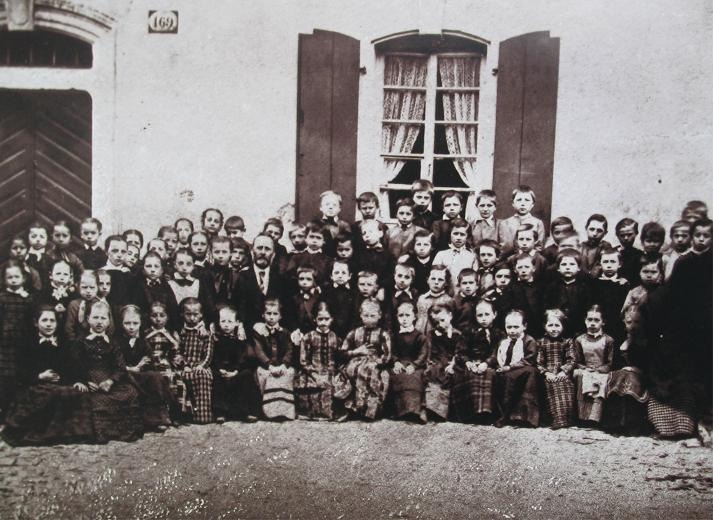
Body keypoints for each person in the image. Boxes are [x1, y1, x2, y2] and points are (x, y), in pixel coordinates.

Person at [1, 306, 94, 446]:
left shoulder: (64, 343)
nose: (49, 324)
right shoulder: (27, 344)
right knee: (51, 393)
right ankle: (43, 434)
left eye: (52, 320)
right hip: (35, 386)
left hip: (61, 384)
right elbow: (20, 372)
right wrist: (40, 376)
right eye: (44, 320)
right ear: (36, 323)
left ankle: (69, 434)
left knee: (78, 392)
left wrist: (78, 380)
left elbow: (73, 366)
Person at [68, 300, 144, 443]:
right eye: (95, 317)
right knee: (88, 398)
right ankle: (99, 432)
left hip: (108, 379)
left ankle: (118, 431)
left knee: (130, 393)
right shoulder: (80, 341)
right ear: (88, 319)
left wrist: (111, 381)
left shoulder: (113, 342)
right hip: (89, 379)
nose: (99, 322)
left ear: (109, 321)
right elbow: (74, 365)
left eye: (103, 318)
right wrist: (83, 381)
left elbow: (120, 367)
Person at [116, 305, 172, 430]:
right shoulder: (117, 341)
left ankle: (158, 418)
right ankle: (143, 420)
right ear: (121, 323)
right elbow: (116, 362)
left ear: (141, 323)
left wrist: (142, 365)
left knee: (155, 377)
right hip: (123, 374)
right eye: (127, 323)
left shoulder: (142, 340)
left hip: (139, 373)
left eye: (135, 323)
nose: (131, 327)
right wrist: (131, 368)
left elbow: (148, 358)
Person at [337, 299, 391, 420]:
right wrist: (356, 351)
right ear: (361, 315)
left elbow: (387, 355)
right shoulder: (354, 333)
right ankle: (350, 408)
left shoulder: (383, 334)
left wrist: (377, 362)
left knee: (371, 374)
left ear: (379, 315)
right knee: (349, 371)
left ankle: (368, 411)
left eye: (373, 316)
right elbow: (342, 352)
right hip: (355, 361)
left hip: (375, 364)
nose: (369, 319)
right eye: (366, 315)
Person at [452, 300, 504, 423]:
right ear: (475, 316)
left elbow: (498, 352)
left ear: (494, 314)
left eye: (487, 314)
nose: (483, 318)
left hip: (489, 364)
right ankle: (471, 414)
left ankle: (486, 412)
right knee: (468, 374)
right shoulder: (468, 332)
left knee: (489, 374)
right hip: (471, 363)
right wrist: (468, 362)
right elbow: (461, 351)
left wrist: (486, 363)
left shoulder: (499, 333)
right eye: (480, 315)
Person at [486, 310, 540, 427]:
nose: (512, 330)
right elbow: (495, 356)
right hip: (504, 370)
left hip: (522, 371)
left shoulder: (529, 341)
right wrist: (486, 363)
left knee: (512, 378)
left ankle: (522, 417)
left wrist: (509, 367)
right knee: (492, 375)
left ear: (524, 326)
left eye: (516, 327)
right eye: (509, 327)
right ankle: (496, 415)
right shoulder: (504, 342)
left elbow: (529, 359)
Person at [211, 305, 260, 422]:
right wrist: (220, 369)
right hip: (222, 369)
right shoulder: (216, 339)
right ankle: (220, 412)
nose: (226, 325)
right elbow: (214, 357)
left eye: (230, 321)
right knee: (216, 378)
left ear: (237, 323)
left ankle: (246, 411)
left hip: (236, 369)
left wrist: (236, 371)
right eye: (223, 321)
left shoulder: (240, 340)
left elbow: (242, 358)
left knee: (246, 375)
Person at [0, 261, 35, 417]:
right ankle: (4, 415)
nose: (13, 280)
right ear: (4, 279)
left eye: (16, 276)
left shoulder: (28, 299)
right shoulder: (2, 298)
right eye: (10, 277)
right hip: (5, 346)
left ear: (23, 278)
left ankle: (17, 416)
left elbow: (31, 323)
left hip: (22, 345)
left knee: (20, 378)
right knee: (5, 379)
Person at [295, 302, 339, 420]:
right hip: (311, 371)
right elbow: (303, 361)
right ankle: (310, 412)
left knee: (333, 384)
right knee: (310, 385)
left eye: (326, 319)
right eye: (320, 319)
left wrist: (333, 372)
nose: (323, 322)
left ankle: (329, 413)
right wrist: (314, 374)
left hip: (330, 371)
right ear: (315, 319)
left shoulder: (335, 337)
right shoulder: (308, 337)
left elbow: (338, 358)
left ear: (332, 319)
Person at [253, 299, 295, 420]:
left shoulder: (285, 332)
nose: (271, 317)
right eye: (268, 313)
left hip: (281, 365)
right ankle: (268, 411)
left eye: (275, 314)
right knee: (265, 375)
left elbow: (289, 350)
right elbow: (258, 350)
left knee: (288, 374)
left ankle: (284, 411)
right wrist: (269, 365)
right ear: (263, 315)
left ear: (280, 316)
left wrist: (284, 364)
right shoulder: (258, 332)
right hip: (266, 366)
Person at [572, 305, 614, 424]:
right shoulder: (579, 340)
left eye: (596, 320)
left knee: (601, 380)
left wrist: (599, 369)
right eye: (589, 319)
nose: (592, 323)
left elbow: (610, 362)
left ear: (603, 322)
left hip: (601, 371)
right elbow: (577, 361)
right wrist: (585, 368)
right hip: (585, 370)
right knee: (581, 376)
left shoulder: (608, 340)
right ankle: (582, 418)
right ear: (585, 321)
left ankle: (594, 418)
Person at [389, 301, 428, 422]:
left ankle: (416, 411)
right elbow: (391, 352)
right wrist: (396, 362)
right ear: (397, 317)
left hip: (415, 365)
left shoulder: (420, 336)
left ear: (414, 317)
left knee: (415, 377)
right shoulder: (394, 336)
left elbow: (423, 354)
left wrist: (414, 365)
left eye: (407, 315)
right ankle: (400, 412)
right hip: (399, 364)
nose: (404, 319)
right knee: (397, 376)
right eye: (401, 315)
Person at [537, 309, 576, 429]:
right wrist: (546, 373)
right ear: (544, 326)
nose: (554, 329)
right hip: (548, 374)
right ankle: (556, 419)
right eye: (550, 325)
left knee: (566, 385)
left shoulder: (568, 342)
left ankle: (567, 418)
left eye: (557, 325)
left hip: (562, 373)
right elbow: (538, 362)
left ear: (563, 326)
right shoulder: (541, 342)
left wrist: (564, 371)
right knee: (551, 386)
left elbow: (571, 360)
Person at [178, 298, 214, 424]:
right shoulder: (181, 333)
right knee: (179, 377)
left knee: (202, 376)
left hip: (200, 365)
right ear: (182, 314)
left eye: (195, 314)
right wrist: (184, 365)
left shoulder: (205, 333)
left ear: (201, 315)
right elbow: (177, 352)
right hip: (185, 366)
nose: (192, 318)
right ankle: (183, 415)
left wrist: (202, 365)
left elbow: (208, 354)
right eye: (188, 314)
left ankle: (202, 415)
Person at [424, 303, 463, 420]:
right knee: (432, 374)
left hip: (451, 364)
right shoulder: (431, 334)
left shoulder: (457, 334)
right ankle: (432, 409)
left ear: (450, 316)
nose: (440, 325)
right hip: (436, 363)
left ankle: (444, 412)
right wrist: (430, 363)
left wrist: (453, 364)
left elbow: (459, 352)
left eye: (442, 320)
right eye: (435, 322)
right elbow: (428, 351)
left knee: (451, 375)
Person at [543, 249, 591, 337]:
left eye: (572, 264)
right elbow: (546, 305)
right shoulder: (552, 287)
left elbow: (586, 309)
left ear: (579, 268)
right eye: (564, 264)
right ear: (558, 268)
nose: (568, 267)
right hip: (556, 328)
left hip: (577, 328)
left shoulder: (583, 288)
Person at [65, 270, 114, 341]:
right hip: (78, 341)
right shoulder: (74, 305)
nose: (88, 291)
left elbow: (110, 327)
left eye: (92, 287)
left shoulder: (102, 303)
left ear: (97, 287)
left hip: (100, 339)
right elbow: (69, 328)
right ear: (78, 286)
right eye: (84, 287)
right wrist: (74, 342)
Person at [433, 218, 478, 291]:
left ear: (467, 236)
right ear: (450, 234)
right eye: (455, 234)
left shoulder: (472, 256)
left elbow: (475, 279)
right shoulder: (441, 254)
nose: (458, 238)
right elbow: (435, 276)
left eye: (462, 234)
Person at [502, 185, 546, 251]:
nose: (523, 204)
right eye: (519, 200)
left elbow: (539, 246)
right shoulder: (506, 223)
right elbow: (505, 246)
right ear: (513, 203)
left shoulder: (538, 223)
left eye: (527, 200)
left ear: (532, 204)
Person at [321, 260, 355, 339]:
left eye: (343, 273)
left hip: (350, 330)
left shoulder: (354, 292)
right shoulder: (325, 292)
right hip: (330, 330)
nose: (340, 276)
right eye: (336, 273)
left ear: (349, 276)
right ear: (331, 276)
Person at [415, 265, 454, 334]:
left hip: (437, 335)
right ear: (428, 280)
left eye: (440, 280)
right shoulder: (422, 298)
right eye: (433, 279)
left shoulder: (448, 300)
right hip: (420, 334)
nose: (436, 282)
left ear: (446, 283)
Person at [615, 218, 643, 285]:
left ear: (636, 233)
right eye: (622, 235)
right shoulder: (611, 253)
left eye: (629, 234)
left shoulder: (640, 255)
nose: (626, 238)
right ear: (617, 235)